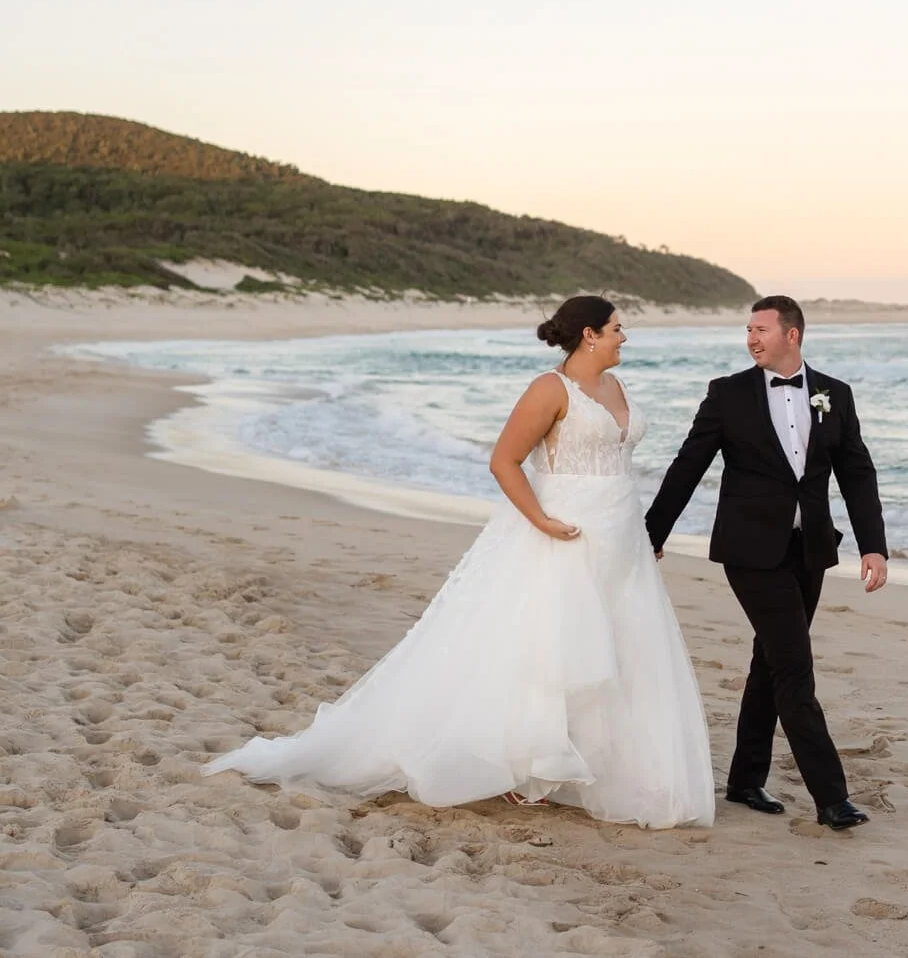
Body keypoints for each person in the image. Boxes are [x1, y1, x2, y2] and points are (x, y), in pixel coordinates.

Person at [205, 295, 714, 829]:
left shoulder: (616, 387)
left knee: (619, 645)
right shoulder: (549, 388)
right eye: (616, 328)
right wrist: (540, 520)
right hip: (563, 532)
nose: (623, 337)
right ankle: (531, 766)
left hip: (620, 535)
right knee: (551, 648)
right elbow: (505, 460)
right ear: (589, 334)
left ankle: (598, 763)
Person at [644, 294, 887, 830]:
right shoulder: (728, 394)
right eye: (748, 329)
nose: (751, 338)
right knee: (794, 665)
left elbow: (857, 472)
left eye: (761, 329)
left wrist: (873, 545)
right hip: (750, 551)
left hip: (811, 551)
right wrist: (652, 532)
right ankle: (831, 798)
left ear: (792, 335)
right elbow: (689, 463)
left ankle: (746, 779)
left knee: (770, 662)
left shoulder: (833, 394)